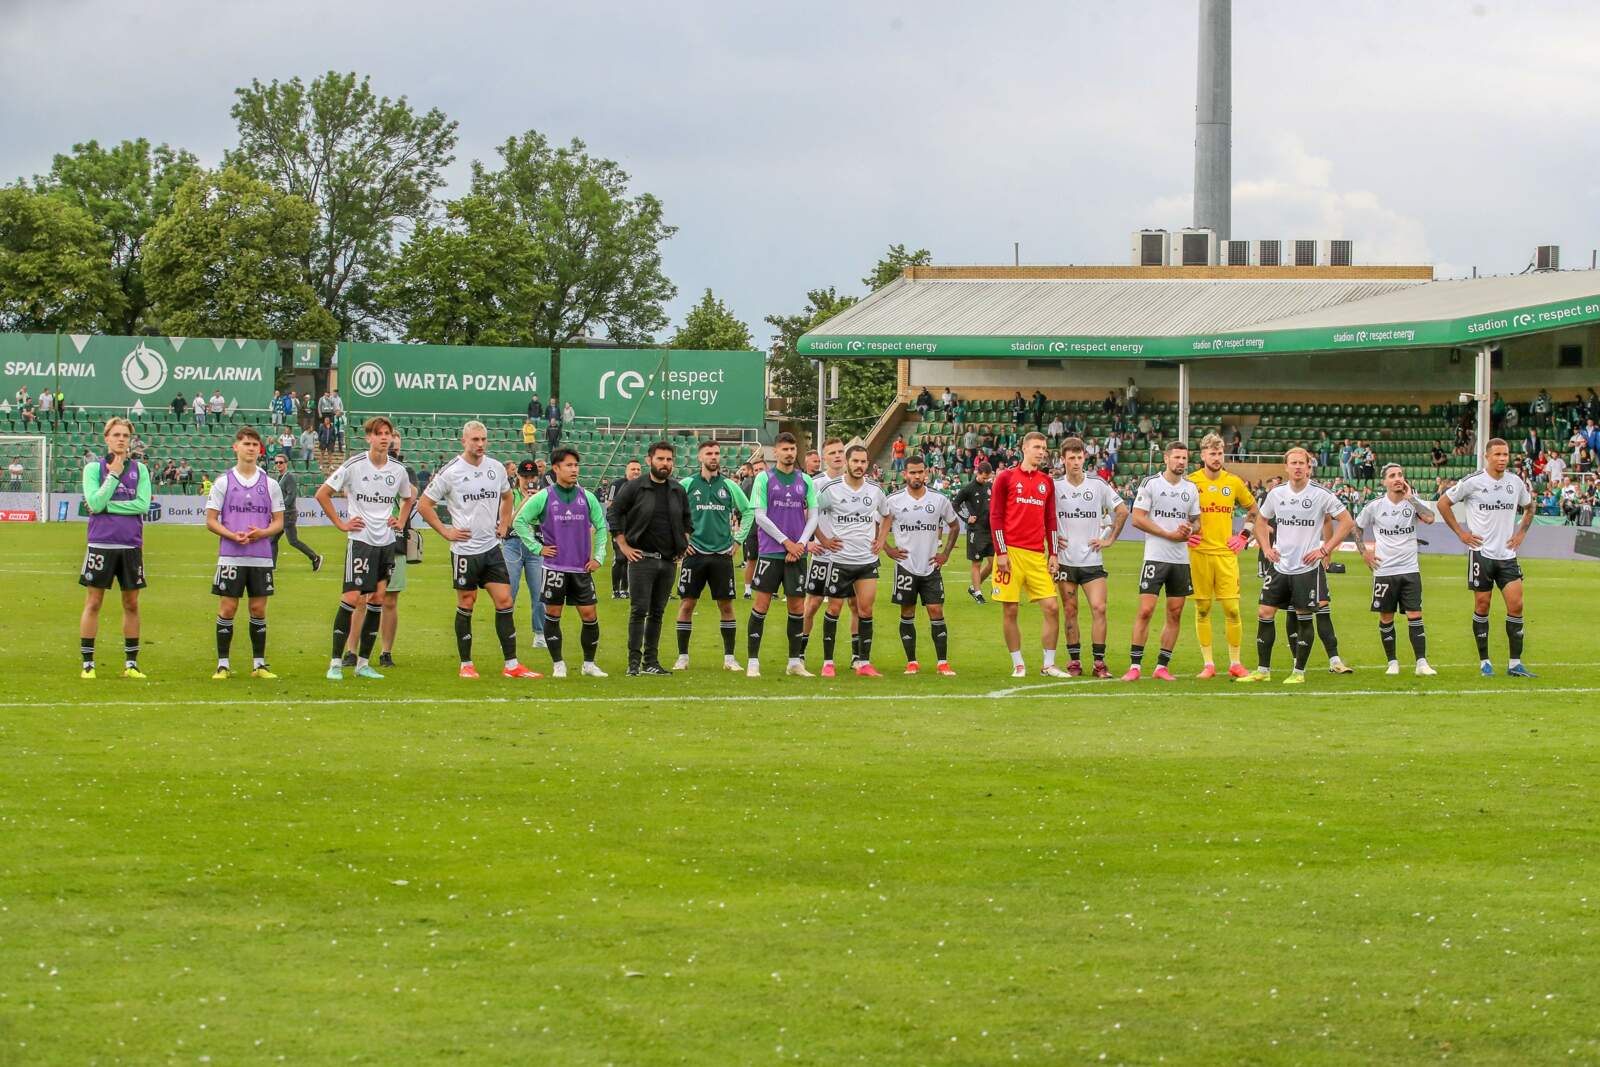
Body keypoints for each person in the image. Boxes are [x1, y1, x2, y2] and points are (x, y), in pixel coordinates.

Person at [417, 421, 540, 680]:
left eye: (483, 439)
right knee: (466, 602)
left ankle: (512, 665)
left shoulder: (495, 468)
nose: (480, 444)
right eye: (475, 439)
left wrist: (505, 523)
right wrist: (446, 531)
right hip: (465, 551)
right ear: (464, 441)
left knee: (505, 601)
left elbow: (507, 497)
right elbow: (424, 505)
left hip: (492, 548)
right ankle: (466, 664)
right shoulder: (451, 472)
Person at [1238, 447, 1353, 685]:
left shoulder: (1321, 494)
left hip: (1306, 568)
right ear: (1286, 467)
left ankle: (1298, 672)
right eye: (1294, 463)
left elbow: (1347, 522)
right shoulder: (1277, 493)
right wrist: (1267, 547)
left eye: (1303, 463)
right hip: (1280, 566)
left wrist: (1324, 549)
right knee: (1264, 612)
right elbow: (1261, 520)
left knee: (1303, 617)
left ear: (1309, 467)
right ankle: (1263, 670)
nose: (1298, 467)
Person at [315, 416, 414, 680]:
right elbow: (322, 493)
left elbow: (409, 497)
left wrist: (401, 521)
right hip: (361, 542)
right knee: (351, 598)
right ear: (368, 438)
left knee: (378, 599)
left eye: (388, 433)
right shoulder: (354, 466)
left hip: (386, 543)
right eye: (378, 433)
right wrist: (341, 524)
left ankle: (363, 663)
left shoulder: (398, 470)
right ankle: (335, 663)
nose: (384, 438)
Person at [1436, 438, 1537, 677]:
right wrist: (1461, 533)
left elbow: (1530, 507)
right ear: (1487, 456)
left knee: (1517, 605)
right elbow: (1443, 503)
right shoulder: (1473, 482)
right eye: (1498, 454)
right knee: (1482, 605)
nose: (1503, 459)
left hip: (1507, 555)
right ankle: (1485, 662)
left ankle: (1515, 664)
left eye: (1505, 454)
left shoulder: (1515, 482)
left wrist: (1521, 533)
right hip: (1481, 554)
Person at [513, 447, 608, 678]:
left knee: (589, 614)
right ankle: (558, 663)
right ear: (556, 468)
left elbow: (602, 526)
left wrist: (599, 557)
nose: (574, 469)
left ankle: (589, 664)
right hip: (554, 568)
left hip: (581, 568)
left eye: (576, 465)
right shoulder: (544, 496)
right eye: (569, 465)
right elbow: (519, 522)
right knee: (553, 614)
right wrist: (537, 548)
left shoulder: (588, 497)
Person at [205, 427, 285, 679]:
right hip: (230, 555)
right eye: (246, 443)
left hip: (261, 557)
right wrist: (231, 535)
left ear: (259, 450)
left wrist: (263, 532)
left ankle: (259, 664)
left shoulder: (270, 484)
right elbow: (211, 520)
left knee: (258, 609)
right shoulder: (223, 482)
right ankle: (223, 664)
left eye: (254, 444)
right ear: (236, 447)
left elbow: (279, 522)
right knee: (228, 608)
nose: (250, 448)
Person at [609, 441, 693, 675]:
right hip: (641, 559)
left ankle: (651, 662)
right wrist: (623, 545)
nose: (665, 464)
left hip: (667, 562)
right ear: (649, 461)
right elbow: (614, 512)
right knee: (639, 611)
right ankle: (633, 664)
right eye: (660, 459)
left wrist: (682, 543)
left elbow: (687, 520)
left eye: (669, 460)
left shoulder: (677, 489)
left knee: (658, 612)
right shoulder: (635, 487)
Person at [78, 417, 152, 679]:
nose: (121, 439)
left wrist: (108, 506)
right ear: (106, 438)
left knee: (131, 603)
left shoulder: (141, 470)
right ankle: (88, 663)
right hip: (100, 543)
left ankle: (131, 664)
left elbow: (142, 505)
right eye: (116, 435)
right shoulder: (92, 470)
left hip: (131, 544)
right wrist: (113, 475)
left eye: (125, 435)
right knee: (94, 602)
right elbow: (93, 503)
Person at [1122, 441, 1202, 682]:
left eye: (1184, 458)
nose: (1181, 462)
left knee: (1175, 613)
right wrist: (1168, 535)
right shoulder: (1151, 484)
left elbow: (1198, 522)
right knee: (1145, 611)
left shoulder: (1191, 488)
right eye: (1176, 457)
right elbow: (1137, 519)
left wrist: (1191, 528)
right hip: (1155, 558)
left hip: (1180, 561)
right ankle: (1135, 666)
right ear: (1166, 458)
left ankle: (1161, 667)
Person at [745, 432, 819, 678]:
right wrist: (787, 542)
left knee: (797, 606)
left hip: (796, 552)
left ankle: (794, 662)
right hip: (771, 552)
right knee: (761, 604)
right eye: (784, 449)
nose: (789, 453)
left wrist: (800, 544)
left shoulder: (805, 480)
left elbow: (814, 515)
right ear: (775, 452)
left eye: (792, 449)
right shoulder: (763, 479)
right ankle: (753, 661)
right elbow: (760, 516)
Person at [674, 440, 753, 672]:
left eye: (717, 453)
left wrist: (738, 539)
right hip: (694, 553)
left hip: (722, 555)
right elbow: (672, 513)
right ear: (699, 457)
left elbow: (748, 511)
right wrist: (681, 541)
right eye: (709, 453)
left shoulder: (729, 485)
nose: (714, 457)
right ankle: (683, 657)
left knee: (726, 605)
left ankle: (729, 659)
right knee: (687, 604)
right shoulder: (687, 484)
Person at [1053, 437, 1128, 679]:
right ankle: (1074, 662)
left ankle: (1099, 662)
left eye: (1079, 457)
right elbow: (1040, 518)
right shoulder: (1054, 487)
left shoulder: (1098, 485)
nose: (1076, 462)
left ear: (1085, 457)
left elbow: (1122, 511)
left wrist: (1109, 540)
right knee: (1070, 610)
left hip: (1093, 562)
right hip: (1065, 561)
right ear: (1062, 459)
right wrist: (1050, 542)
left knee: (1099, 608)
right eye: (1071, 458)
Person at [812, 444, 889, 677]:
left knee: (865, 610)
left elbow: (887, 515)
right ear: (847, 462)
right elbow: (811, 514)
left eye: (863, 462)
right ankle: (828, 663)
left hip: (866, 560)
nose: (859, 466)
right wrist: (824, 540)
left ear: (867, 464)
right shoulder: (832, 489)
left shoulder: (875, 490)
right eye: (855, 461)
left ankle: (863, 663)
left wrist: (881, 540)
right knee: (834, 608)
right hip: (840, 560)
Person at [1186, 432, 1259, 679]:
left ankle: (1235, 663)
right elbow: (1177, 513)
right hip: (1199, 554)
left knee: (1232, 609)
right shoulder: (1191, 482)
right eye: (1212, 453)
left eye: (1220, 453)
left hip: (1226, 555)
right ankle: (1208, 664)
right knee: (1203, 608)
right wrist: (1186, 533)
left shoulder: (1234, 482)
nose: (1217, 457)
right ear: (1203, 455)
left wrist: (1243, 537)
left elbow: (1253, 510)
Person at [990, 432, 1062, 678]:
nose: (1042, 452)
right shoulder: (1006, 478)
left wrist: (1053, 553)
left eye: (1044, 448)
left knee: (1052, 607)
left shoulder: (1046, 481)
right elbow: (996, 516)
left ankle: (1049, 664)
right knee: (1010, 610)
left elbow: (1051, 519)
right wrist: (1000, 552)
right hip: (1010, 554)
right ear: (1024, 448)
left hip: (1036, 555)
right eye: (1037, 447)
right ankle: (1018, 663)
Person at [880, 454, 960, 675]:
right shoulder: (893, 501)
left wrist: (945, 554)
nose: (917, 476)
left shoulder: (938, 500)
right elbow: (879, 527)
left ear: (926, 473)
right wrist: (889, 550)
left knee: (936, 610)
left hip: (931, 566)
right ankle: (912, 662)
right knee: (908, 611)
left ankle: (942, 662)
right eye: (912, 472)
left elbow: (954, 526)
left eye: (920, 472)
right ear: (905, 474)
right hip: (905, 566)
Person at [1355, 464, 1437, 677]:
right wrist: (1364, 552)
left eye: (1400, 475)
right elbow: (1357, 527)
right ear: (1384, 482)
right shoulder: (1375, 506)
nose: (1398, 479)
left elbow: (1430, 518)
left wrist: (1411, 498)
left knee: (1415, 614)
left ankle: (1421, 663)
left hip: (1410, 569)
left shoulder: (1413, 502)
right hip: (1384, 570)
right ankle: (1392, 662)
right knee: (1386, 617)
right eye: (1392, 476)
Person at [800, 439, 860, 670]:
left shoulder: (856, 483)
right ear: (823, 457)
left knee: (855, 605)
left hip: (851, 557)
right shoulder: (815, 483)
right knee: (812, 604)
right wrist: (811, 541)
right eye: (832, 453)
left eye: (840, 452)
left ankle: (856, 656)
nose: (837, 456)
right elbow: (804, 514)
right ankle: (800, 653)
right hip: (823, 556)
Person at [503, 460, 547, 649]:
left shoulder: (543, 496)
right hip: (513, 544)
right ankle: (507, 633)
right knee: (508, 592)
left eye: (532, 477)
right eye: (525, 476)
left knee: (539, 592)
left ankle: (540, 633)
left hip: (535, 545)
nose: (529, 480)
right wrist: (527, 501)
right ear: (518, 477)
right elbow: (509, 522)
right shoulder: (510, 495)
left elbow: (546, 522)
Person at [270, 453, 322, 570]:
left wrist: (279, 507)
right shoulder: (280, 477)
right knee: (273, 540)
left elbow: (291, 496)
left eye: (281, 462)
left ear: (286, 464)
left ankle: (315, 557)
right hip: (283, 514)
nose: (278, 464)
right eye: (276, 462)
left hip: (288, 514)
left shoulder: (289, 477)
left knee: (292, 541)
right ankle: (272, 566)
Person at [953, 463, 995, 602]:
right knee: (976, 562)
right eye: (984, 478)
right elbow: (956, 504)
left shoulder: (990, 486)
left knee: (993, 562)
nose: (986, 480)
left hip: (990, 529)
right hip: (976, 530)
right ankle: (978, 592)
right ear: (978, 473)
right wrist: (966, 517)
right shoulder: (969, 489)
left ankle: (973, 587)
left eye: (988, 478)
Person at [602, 461, 641, 599]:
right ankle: (615, 590)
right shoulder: (616, 485)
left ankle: (625, 589)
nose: (636, 472)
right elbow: (610, 507)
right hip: (620, 528)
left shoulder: (643, 485)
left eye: (638, 469)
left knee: (630, 558)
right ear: (626, 471)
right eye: (633, 469)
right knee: (619, 558)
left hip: (635, 530)